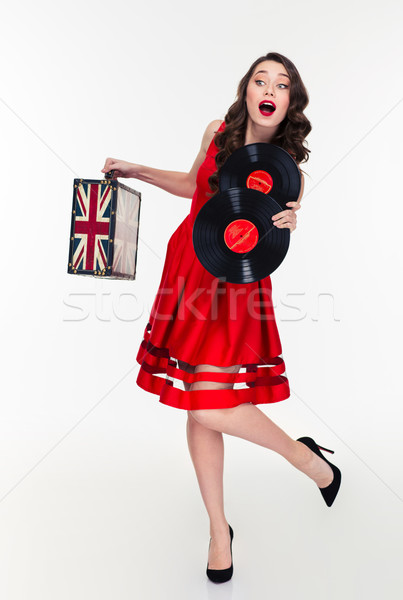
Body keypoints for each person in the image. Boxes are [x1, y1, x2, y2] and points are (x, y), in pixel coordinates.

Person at [101, 51, 342, 584]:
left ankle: (306, 461)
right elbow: (194, 187)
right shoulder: (217, 130)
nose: (270, 88)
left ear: (289, 103)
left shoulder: (289, 172)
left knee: (210, 404)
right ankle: (218, 531)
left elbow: (275, 237)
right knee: (198, 405)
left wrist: (288, 220)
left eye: (282, 84)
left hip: (234, 287)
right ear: (249, 89)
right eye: (262, 78)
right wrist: (136, 168)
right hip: (188, 268)